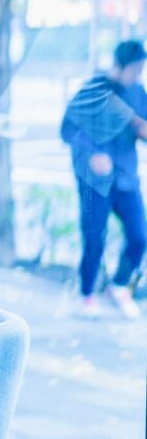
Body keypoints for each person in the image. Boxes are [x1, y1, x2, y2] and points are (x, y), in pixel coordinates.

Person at [61, 39, 147, 320]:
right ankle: (87, 294)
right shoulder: (93, 89)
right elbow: (67, 129)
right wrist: (93, 154)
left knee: (139, 236)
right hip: (93, 181)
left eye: (141, 70)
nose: (137, 75)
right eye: (134, 69)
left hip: (126, 177)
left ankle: (119, 285)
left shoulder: (138, 91)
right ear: (119, 65)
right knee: (94, 236)